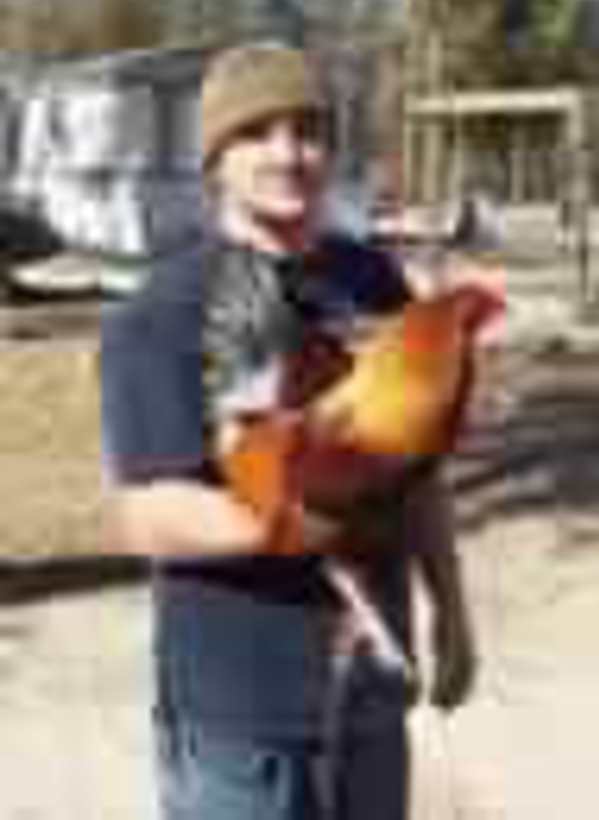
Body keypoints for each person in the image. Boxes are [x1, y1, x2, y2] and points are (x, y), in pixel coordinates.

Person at [101, 41, 477, 820]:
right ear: (215, 158)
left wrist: (452, 608)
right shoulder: (163, 310)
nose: (288, 153)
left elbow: (417, 474)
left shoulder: (372, 279)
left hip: (371, 690)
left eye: (307, 129)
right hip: (242, 723)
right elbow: (145, 515)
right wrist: (291, 517)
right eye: (256, 132)